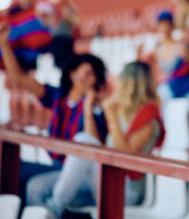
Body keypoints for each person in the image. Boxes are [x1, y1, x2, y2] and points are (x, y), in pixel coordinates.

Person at [0, 22, 108, 208]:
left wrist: (88, 107)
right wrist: (4, 45)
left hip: (79, 174)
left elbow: (92, 144)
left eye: (93, 75)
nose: (89, 79)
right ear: (73, 74)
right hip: (57, 166)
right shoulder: (57, 96)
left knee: (36, 187)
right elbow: (19, 79)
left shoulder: (98, 109)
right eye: (86, 73)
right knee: (11, 171)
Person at [44, 61, 164, 218]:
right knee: (83, 141)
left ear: (129, 84)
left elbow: (125, 156)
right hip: (112, 179)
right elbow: (92, 140)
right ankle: (56, 206)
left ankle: (55, 206)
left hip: (127, 191)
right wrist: (88, 107)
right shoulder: (125, 111)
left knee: (84, 141)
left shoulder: (149, 115)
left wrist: (112, 116)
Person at [0, 0, 52, 71]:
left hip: (39, 54)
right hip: (19, 54)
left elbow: (53, 18)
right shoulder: (12, 14)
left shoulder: (41, 7)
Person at [46, 0, 80, 69]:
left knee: (67, 65)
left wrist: (68, 16)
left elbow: (78, 22)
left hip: (65, 40)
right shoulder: (52, 8)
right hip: (56, 41)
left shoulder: (68, 8)